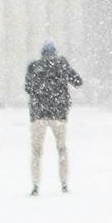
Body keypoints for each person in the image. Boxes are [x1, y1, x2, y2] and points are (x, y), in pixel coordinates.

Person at [24, 40, 82, 196]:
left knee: (36, 152)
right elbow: (78, 81)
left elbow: (28, 88)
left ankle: (35, 185)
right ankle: (64, 183)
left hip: (38, 114)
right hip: (59, 114)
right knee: (62, 149)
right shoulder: (62, 65)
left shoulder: (34, 67)